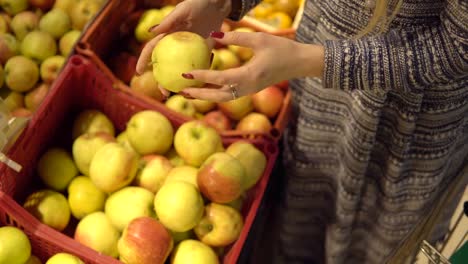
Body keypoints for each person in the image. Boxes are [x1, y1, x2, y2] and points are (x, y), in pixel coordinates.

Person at [137, 0, 468, 263]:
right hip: (320, 87)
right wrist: (223, 3)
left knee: (371, 241)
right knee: (304, 213)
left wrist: (308, 60)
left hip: (404, 119)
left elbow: (457, 48)